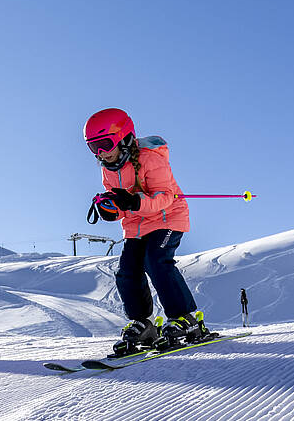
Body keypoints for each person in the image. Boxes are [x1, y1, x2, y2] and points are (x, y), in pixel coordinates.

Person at [83, 108, 212, 356]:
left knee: (156, 262)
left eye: (105, 144)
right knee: (126, 271)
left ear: (124, 137)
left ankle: (187, 318)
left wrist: (133, 202)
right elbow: (121, 204)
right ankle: (143, 323)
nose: (102, 153)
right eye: (93, 147)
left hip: (167, 218)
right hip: (136, 226)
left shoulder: (151, 160)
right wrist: (113, 209)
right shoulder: (108, 169)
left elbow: (165, 197)